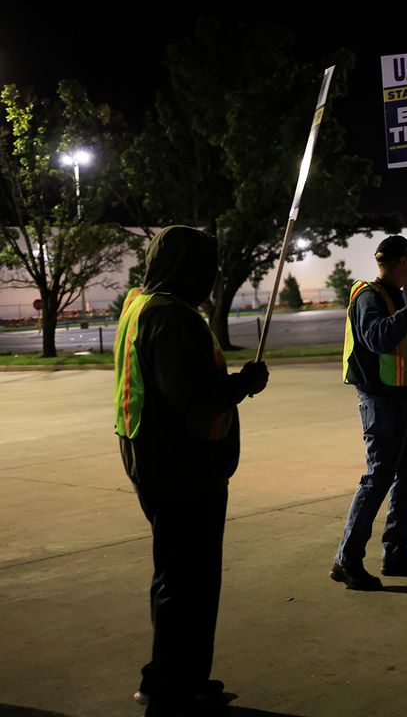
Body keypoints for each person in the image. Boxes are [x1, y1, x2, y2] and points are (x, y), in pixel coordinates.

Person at [114, 225, 269, 715]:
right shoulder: (173, 317)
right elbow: (192, 394)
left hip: (152, 459)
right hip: (182, 468)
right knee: (189, 582)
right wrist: (243, 384)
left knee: (179, 576)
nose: (211, 278)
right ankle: (169, 687)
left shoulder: (140, 303)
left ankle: (180, 678)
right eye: (206, 268)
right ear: (188, 267)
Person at [331, 235, 407, 590]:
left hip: (405, 396)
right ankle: (347, 559)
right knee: (378, 478)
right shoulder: (368, 296)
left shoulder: (395, 294)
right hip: (382, 402)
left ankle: (396, 551)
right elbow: (378, 338)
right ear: (400, 262)